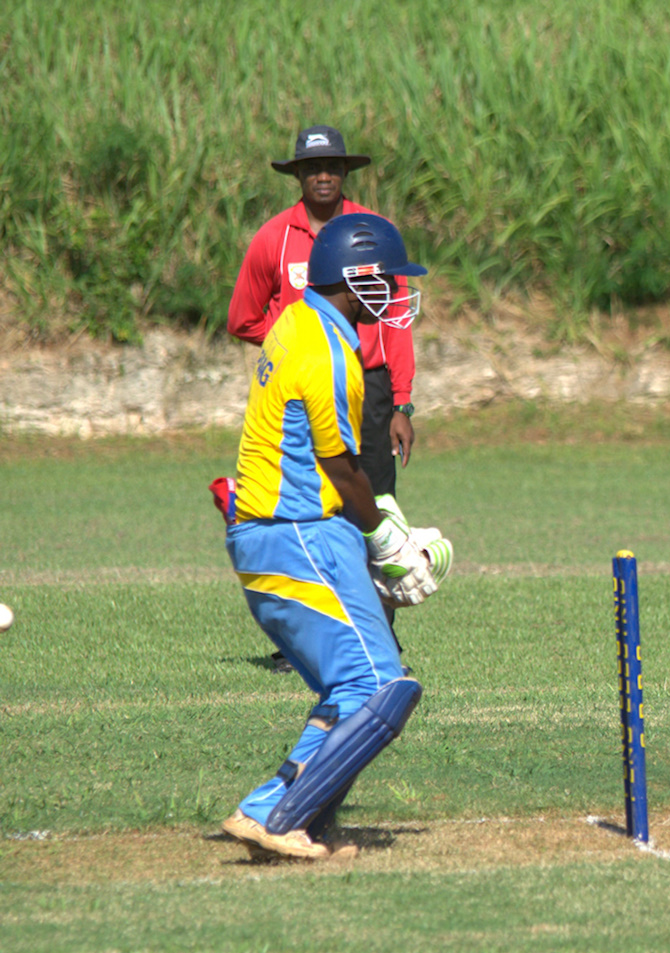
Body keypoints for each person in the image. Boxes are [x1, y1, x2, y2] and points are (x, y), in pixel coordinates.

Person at [219, 213, 436, 860]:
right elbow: (341, 467)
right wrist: (388, 542)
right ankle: (280, 815)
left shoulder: (298, 323)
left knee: (354, 688)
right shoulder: (328, 352)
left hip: (271, 534)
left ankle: (275, 813)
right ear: (355, 279)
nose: (395, 294)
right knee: (384, 687)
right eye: (387, 282)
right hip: (297, 533)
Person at [227, 125, 418, 671]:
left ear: (346, 173)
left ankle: (377, 629)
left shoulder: (373, 234)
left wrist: (401, 403)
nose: (325, 175)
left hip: (371, 385)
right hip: (316, 375)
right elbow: (242, 316)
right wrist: (299, 353)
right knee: (324, 500)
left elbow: (398, 326)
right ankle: (317, 634)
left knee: (370, 495)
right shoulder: (274, 239)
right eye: (313, 167)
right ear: (299, 176)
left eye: (333, 166)